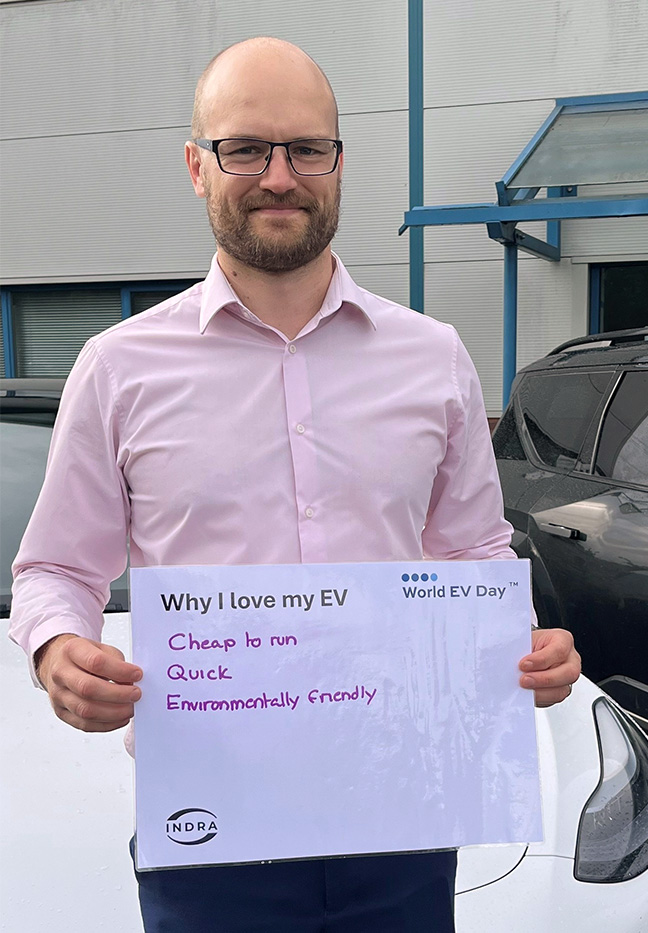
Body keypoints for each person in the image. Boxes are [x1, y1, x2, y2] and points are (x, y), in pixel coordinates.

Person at [10, 36, 580, 933]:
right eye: (245, 149)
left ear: (340, 165)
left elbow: (471, 551)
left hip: (402, 816)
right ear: (196, 167)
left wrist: (521, 644)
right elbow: (55, 568)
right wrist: (56, 650)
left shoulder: (432, 359)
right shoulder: (118, 368)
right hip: (210, 833)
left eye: (307, 148)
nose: (280, 177)